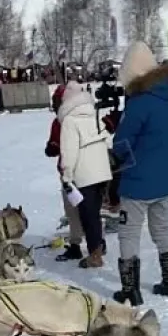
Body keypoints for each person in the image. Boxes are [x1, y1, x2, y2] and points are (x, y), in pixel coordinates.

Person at [111, 41, 168, 305]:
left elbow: (122, 143)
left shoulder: (141, 103)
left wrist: (118, 125)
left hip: (137, 181)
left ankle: (130, 289)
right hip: (166, 176)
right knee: (162, 228)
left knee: (129, 233)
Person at [57, 81, 112, 268]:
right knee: (95, 214)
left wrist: (67, 177)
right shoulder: (95, 115)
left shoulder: (69, 121)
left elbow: (69, 152)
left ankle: (95, 255)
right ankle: (98, 247)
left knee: (88, 216)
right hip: (103, 172)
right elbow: (109, 141)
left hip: (85, 174)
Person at [45, 84, 84, 262]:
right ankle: (98, 242)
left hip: (70, 172)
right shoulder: (83, 117)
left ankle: (76, 245)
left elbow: (55, 146)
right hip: (87, 169)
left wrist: (52, 148)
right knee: (89, 208)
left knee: (73, 210)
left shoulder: (62, 121)